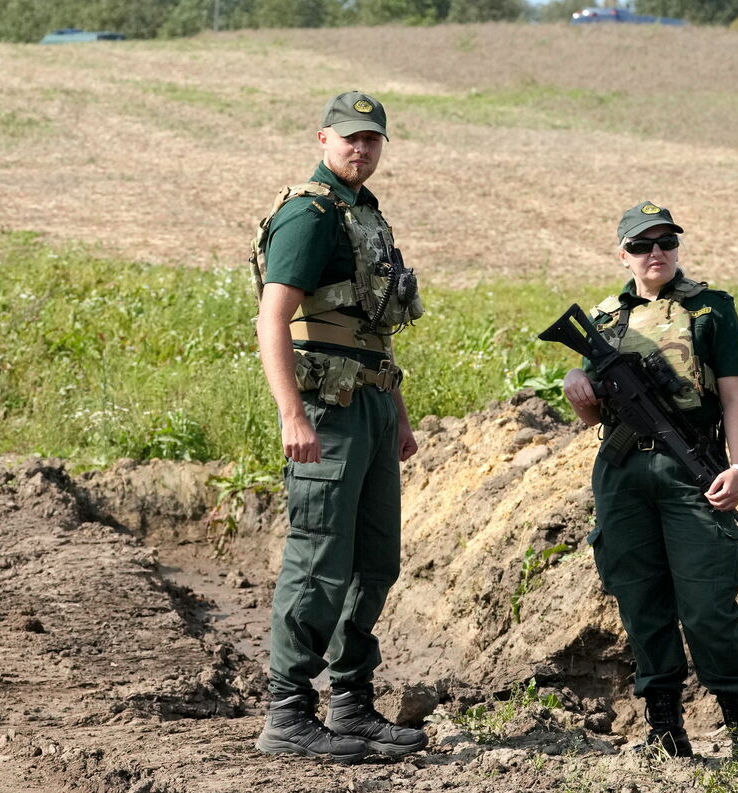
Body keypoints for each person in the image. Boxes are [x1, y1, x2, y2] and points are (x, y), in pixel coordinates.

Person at [251, 91, 427, 763]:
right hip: (327, 409)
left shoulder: (363, 215)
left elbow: (373, 330)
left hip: (374, 405)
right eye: (350, 137)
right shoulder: (310, 214)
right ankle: (288, 711)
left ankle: (350, 702)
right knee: (320, 556)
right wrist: (291, 410)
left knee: (376, 560)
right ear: (322, 139)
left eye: (372, 139)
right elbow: (273, 318)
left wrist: (399, 412)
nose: (361, 148)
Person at [562, 201, 738, 758]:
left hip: (693, 471)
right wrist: (578, 382)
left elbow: (734, 397)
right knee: (641, 602)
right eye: (641, 245)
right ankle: (665, 731)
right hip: (623, 474)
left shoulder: (710, 309)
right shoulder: (606, 320)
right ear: (622, 253)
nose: (655, 254)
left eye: (665, 243)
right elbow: (594, 418)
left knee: (707, 605)